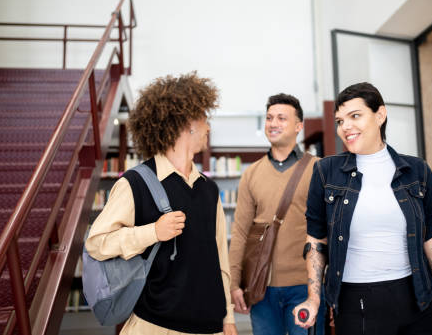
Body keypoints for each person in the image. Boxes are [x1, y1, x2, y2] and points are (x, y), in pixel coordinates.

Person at [293, 82, 432, 335]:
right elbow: (316, 240)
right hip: (358, 303)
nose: (345, 127)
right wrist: (314, 298)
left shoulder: (417, 170)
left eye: (355, 116)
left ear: (380, 115)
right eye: (340, 120)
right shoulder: (326, 172)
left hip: (418, 298)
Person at [85, 73, 237, 335]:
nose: (208, 127)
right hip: (154, 326)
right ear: (185, 123)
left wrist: (229, 317)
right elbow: (97, 243)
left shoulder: (209, 190)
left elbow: (220, 260)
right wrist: (152, 232)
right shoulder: (135, 183)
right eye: (203, 118)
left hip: (211, 327)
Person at [228, 93, 325, 335]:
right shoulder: (252, 174)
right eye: (270, 118)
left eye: (282, 118)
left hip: (307, 287)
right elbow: (240, 232)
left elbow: (330, 230)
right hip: (262, 289)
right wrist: (233, 283)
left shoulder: (320, 169)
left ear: (298, 126)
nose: (273, 123)